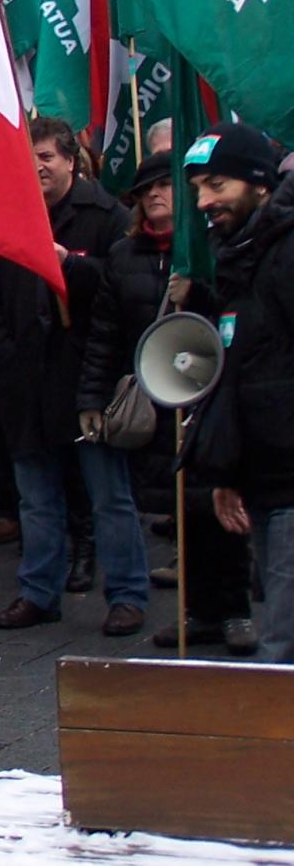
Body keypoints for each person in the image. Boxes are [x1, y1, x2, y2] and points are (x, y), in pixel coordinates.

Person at [0, 116, 142, 635]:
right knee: (36, 499)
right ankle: (37, 591)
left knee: (108, 496)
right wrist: (4, 356)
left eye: (46, 156)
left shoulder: (106, 216)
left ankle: (128, 594)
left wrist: (72, 265)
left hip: (86, 380)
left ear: (71, 160)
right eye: (29, 157)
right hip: (25, 384)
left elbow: (122, 290)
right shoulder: (3, 218)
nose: (38, 167)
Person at [79, 152, 250, 653]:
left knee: (217, 504)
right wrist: (91, 395)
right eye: (145, 190)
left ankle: (235, 609)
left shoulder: (212, 250)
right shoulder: (124, 254)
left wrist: (198, 288)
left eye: (164, 186)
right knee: (181, 512)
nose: (154, 196)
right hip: (160, 398)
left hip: (211, 396)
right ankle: (195, 611)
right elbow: (105, 335)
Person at [183, 124, 294, 663]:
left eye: (217, 185)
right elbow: (239, 374)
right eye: (199, 188)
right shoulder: (242, 255)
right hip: (269, 481)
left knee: (282, 644)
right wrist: (228, 472)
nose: (204, 202)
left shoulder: (285, 254)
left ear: (259, 183)